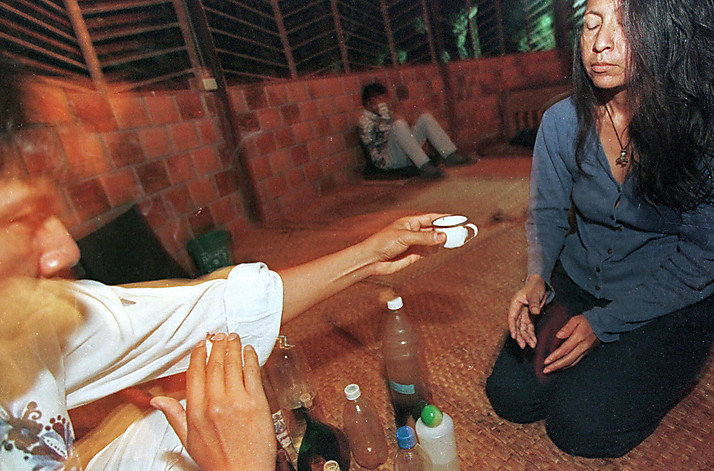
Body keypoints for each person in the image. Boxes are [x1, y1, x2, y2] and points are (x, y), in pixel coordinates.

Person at [0, 57, 449, 470]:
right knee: (225, 436)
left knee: (191, 402)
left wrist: (369, 256)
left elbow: (201, 312)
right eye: (17, 220)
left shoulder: (25, 317)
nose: (66, 250)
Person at [486, 0, 713, 459]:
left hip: (665, 294)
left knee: (580, 427)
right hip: (582, 280)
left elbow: (700, 257)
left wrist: (603, 325)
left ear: (664, 35)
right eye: (591, 24)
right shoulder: (560, 122)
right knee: (511, 396)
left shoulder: (697, 127)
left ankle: (675, 364)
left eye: (624, 27)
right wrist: (536, 277)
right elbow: (548, 213)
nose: (600, 42)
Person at [358, 82, 475, 180]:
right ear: (369, 102)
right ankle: (424, 167)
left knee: (425, 118)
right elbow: (381, 139)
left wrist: (396, 118)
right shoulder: (364, 122)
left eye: (382, 99)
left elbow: (401, 129)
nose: (382, 102)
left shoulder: (384, 114)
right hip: (387, 161)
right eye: (378, 99)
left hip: (405, 154)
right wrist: (385, 117)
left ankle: (450, 156)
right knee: (398, 125)